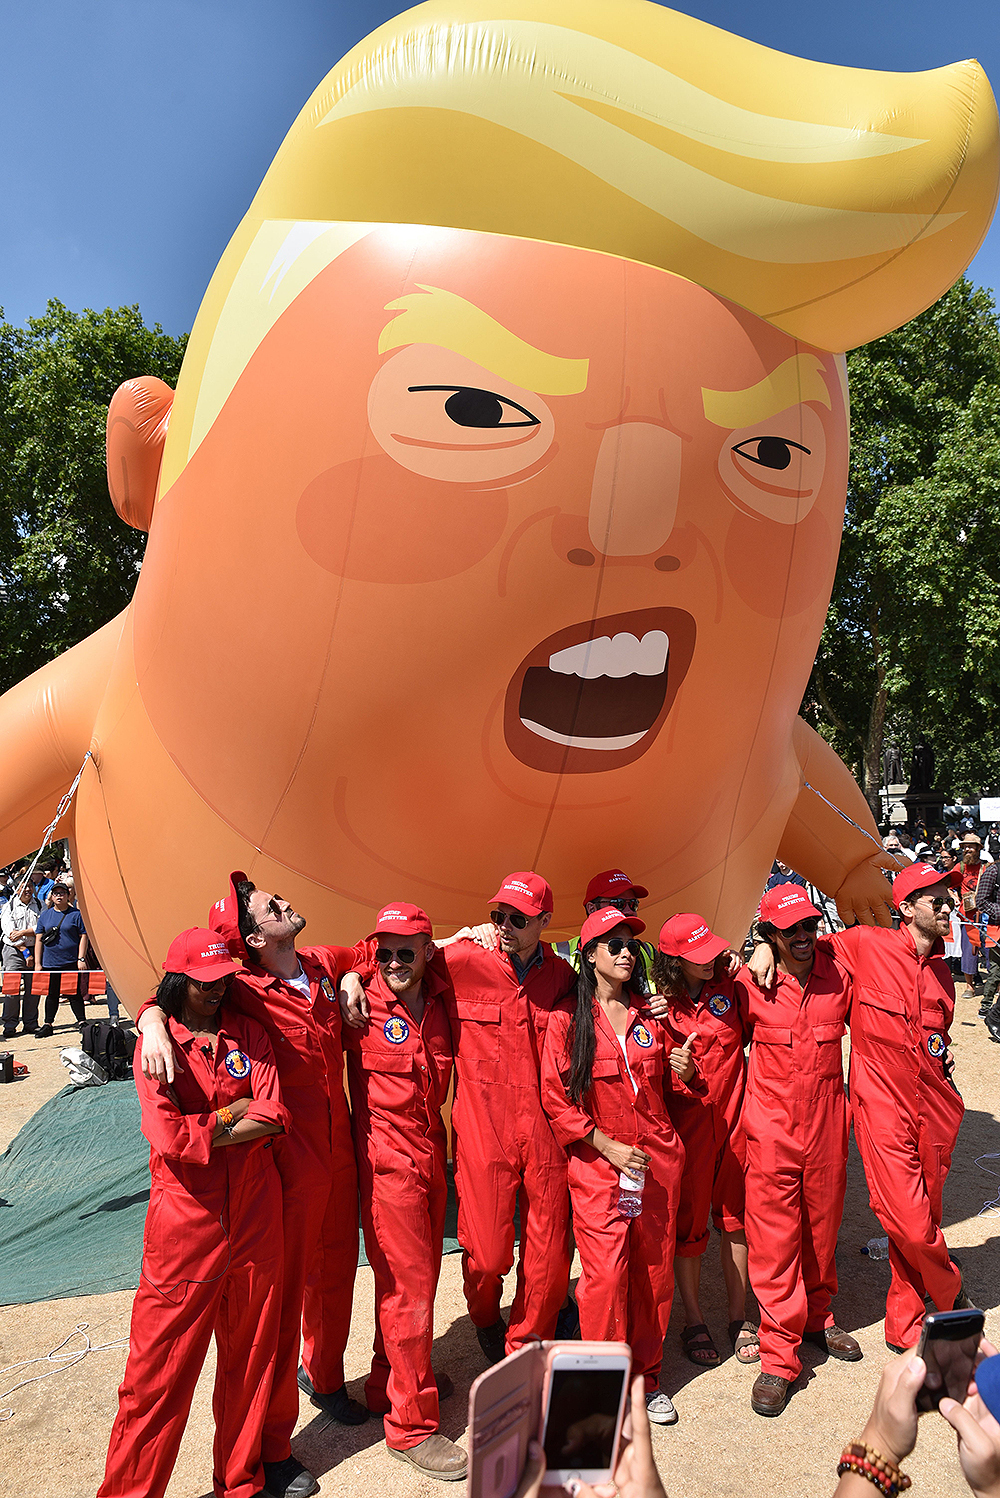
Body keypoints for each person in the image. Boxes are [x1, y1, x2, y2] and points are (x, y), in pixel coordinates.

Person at [138, 874, 369, 1498]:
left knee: (336, 1275)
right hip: (283, 1165)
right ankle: (272, 1447)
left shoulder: (322, 962)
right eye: (266, 904)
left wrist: (350, 978)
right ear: (251, 936)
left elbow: (372, 952)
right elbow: (172, 993)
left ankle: (325, 1378)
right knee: (277, 1307)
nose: (281, 899)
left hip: (336, 1151)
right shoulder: (239, 990)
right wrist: (150, 1020)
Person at [343, 870, 577, 1363]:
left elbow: (606, 999)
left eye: (517, 918)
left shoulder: (561, 977)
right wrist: (351, 973)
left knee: (550, 1256)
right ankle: (486, 1316)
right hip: (482, 1127)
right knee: (487, 1253)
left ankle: (526, 1342)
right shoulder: (464, 958)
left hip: (544, 1131)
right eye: (498, 916)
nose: (505, 925)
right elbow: (398, 953)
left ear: (546, 922)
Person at [99, 928, 288, 1498]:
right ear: (178, 982)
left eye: (223, 981)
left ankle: (240, 1482)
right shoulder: (159, 1045)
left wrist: (209, 1123)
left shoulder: (249, 1032)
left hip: (256, 1217)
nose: (215, 993)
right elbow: (168, 1137)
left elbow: (275, 1113)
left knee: (250, 1360)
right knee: (155, 1380)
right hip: (185, 1231)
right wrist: (235, 1116)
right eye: (204, 984)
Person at [750, 860, 968, 1353]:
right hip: (882, 1109)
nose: (949, 904)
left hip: (935, 1111)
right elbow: (802, 944)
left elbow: (936, 1039)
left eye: (949, 895)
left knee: (920, 1222)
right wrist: (762, 944)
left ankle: (906, 1323)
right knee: (910, 1220)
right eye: (937, 898)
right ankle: (950, 1291)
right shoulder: (867, 944)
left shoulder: (942, 975)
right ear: (906, 908)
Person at [541, 905, 686, 1425]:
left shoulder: (651, 1017)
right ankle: (603, 1385)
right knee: (604, 1278)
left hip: (655, 1163)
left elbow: (675, 1088)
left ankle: (647, 1377)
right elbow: (557, 1100)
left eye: (631, 944)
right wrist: (606, 1145)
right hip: (602, 1167)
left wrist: (684, 1069)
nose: (627, 952)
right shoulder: (566, 1021)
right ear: (589, 956)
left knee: (653, 1272)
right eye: (614, 945)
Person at [343, 903, 467, 1482]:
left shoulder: (441, 997)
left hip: (428, 1156)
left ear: (426, 952)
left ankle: (384, 1381)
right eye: (383, 951)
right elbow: (278, 971)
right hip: (387, 1166)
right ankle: (411, 1425)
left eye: (406, 952)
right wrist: (152, 1016)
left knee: (409, 1281)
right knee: (410, 1291)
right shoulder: (357, 999)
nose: (393, 962)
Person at [743, 884, 861, 1417]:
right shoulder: (747, 982)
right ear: (769, 932)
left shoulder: (841, 972)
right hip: (770, 1130)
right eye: (789, 930)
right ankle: (778, 1357)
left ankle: (818, 1316)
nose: (803, 936)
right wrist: (756, 953)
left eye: (809, 926)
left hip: (826, 1124)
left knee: (822, 1225)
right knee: (774, 1241)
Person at [651, 914, 756, 1369]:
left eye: (712, 951)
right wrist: (686, 1075)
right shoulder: (656, 1012)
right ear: (674, 963)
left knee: (735, 1220)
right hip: (690, 1133)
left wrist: (755, 957)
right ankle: (693, 1319)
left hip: (736, 1126)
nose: (709, 961)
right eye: (698, 958)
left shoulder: (731, 988)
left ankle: (739, 1318)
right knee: (690, 1229)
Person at [32, 882, 89, 1036]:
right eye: (56, 893)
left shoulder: (76, 915)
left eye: (62, 893)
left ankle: (81, 1021)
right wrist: (38, 963)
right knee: (52, 993)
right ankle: (48, 1023)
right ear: (51, 895)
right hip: (51, 961)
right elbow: (39, 939)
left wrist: (81, 958)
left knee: (74, 992)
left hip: (70, 959)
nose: (59, 895)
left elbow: (83, 936)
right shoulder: (45, 915)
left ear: (67, 895)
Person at [1, 866, 44, 1037]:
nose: (28, 889)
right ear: (17, 888)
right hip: (14, 951)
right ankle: (10, 1025)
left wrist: (24, 932)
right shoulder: (8, 907)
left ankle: (31, 1023)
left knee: (34, 989)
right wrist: (25, 952)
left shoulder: (39, 905)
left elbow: (41, 927)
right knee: (11, 989)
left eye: (30, 886)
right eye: (24, 886)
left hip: (37, 948)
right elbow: (10, 933)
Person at [950, 834, 987, 996]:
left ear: (979, 848)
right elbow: (948, 885)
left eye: (971, 846)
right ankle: (970, 986)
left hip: (986, 916)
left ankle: (996, 985)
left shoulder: (986, 868)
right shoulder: (960, 867)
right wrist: (954, 897)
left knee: (989, 951)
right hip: (967, 917)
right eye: (965, 846)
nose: (967, 849)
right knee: (969, 951)